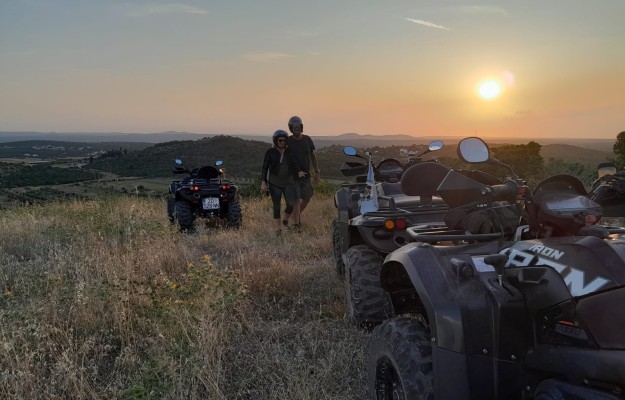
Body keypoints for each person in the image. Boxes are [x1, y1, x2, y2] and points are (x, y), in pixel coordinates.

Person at [260, 129, 304, 236]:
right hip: (275, 183)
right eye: (280, 140)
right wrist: (263, 181)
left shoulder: (289, 152)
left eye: (284, 140)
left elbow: (294, 163)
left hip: (288, 182)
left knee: (290, 205)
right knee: (276, 206)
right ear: (275, 141)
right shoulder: (270, 152)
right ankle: (278, 230)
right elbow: (265, 167)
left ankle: (285, 219)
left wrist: (299, 171)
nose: (282, 142)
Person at [286, 115, 320, 229]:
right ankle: (297, 224)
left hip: (306, 174)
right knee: (296, 198)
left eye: (298, 126)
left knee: (307, 197)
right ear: (291, 128)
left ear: (301, 127)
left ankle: (294, 216)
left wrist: (317, 171)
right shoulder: (288, 141)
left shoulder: (307, 139)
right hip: (292, 176)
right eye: (294, 127)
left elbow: (313, 155)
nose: (296, 128)